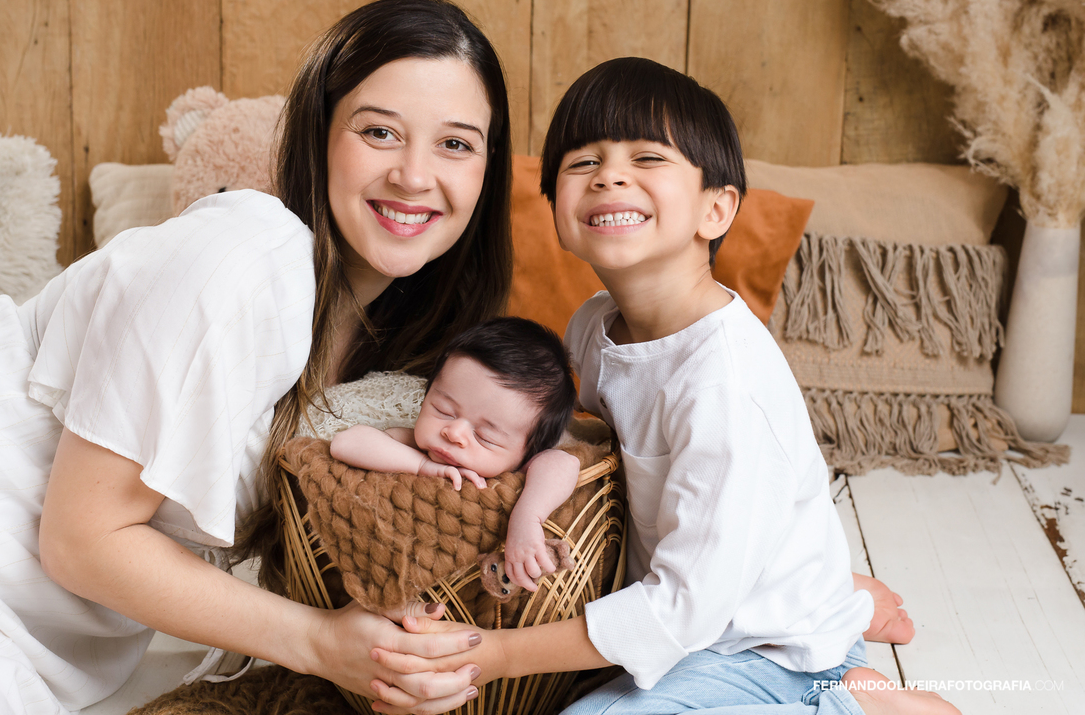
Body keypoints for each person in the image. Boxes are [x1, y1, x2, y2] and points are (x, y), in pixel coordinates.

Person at [0, 0, 505, 715]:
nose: (413, 175)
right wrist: (321, 643)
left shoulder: (400, 368)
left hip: (24, 615)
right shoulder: (243, 255)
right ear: (320, 135)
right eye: (379, 132)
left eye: (456, 144)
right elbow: (83, 540)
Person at [367, 57, 957, 715]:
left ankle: (847, 699)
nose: (610, 174)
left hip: (752, 647)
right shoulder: (595, 325)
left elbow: (680, 613)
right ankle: (825, 605)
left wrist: (491, 655)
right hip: (697, 601)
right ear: (555, 209)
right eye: (583, 162)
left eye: (647, 158)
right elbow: (588, 460)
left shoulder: (724, 384)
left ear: (716, 209)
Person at [331, 316, 582, 593]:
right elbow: (344, 443)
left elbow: (565, 463)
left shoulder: (519, 468)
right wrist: (422, 464)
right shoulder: (410, 446)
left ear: (526, 452)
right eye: (443, 410)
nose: (454, 433)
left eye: (485, 436)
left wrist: (527, 517)